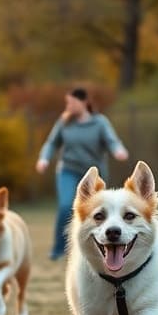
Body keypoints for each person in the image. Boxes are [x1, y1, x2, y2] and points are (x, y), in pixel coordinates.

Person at [36, 87, 129, 260]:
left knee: (97, 211)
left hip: (94, 175)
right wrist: (44, 158)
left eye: (71, 103)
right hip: (68, 170)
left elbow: (112, 140)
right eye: (67, 103)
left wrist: (118, 150)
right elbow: (51, 143)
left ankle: (95, 248)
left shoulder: (100, 122)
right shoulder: (64, 122)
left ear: (84, 102)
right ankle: (59, 249)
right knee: (65, 206)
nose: (68, 106)